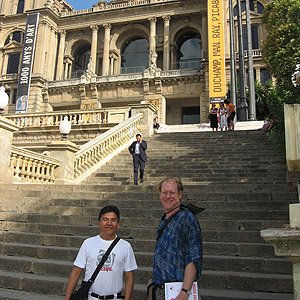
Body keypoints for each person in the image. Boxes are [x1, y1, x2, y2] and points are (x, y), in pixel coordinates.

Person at [64, 205, 137, 300]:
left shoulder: (125, 246)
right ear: (99, 223)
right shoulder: (88, 243)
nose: (109, 223)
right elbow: (76, 272)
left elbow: (129, 278)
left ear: (118, 224)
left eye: (113, 220)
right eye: (105, 219)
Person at [148, 178, 202, 300]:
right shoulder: (165, 218)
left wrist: (185, 292)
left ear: (180, 194)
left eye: (172, 193)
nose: (168, 196)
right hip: (161, 289)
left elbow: (193, 258)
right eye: (164, 193)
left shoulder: (187, 219)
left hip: (177, 291)